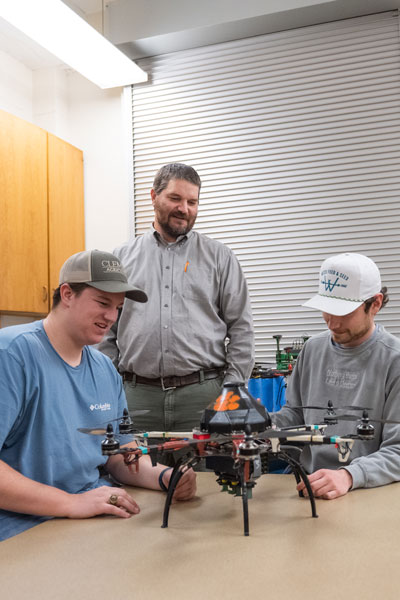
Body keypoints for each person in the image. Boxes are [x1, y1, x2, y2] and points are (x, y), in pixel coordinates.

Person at [0, 249, 196, 541]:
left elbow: (119, 458)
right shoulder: (12, 354)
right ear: (67, 294)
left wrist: (165, 477)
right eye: (103, 303)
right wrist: (71, 503)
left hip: (89, 517)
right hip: (24, 527)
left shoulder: (105, 370)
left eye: (118, 307)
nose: (111, 317)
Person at [98, 163, 254, 432]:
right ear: (153, 197)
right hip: (136, 396)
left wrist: (231, 387)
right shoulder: (121, 258)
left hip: (204, 394)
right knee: (130, 470)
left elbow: (241, 328)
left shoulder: (220, 257)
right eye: (175, 198)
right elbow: (106, 328)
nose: (184, 208)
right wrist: (111, 382)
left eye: (192, 202)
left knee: (207, 474)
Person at [272, 252, 400, 500]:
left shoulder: (394, 360)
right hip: (309, 483)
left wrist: (349, 475)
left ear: (375, 304)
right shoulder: (313, 349)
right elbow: (296, 415)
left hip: (368, 490)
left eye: (344, 313)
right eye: (327, 310)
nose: (332, 323)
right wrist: (260, 426)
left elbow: (398, 449)